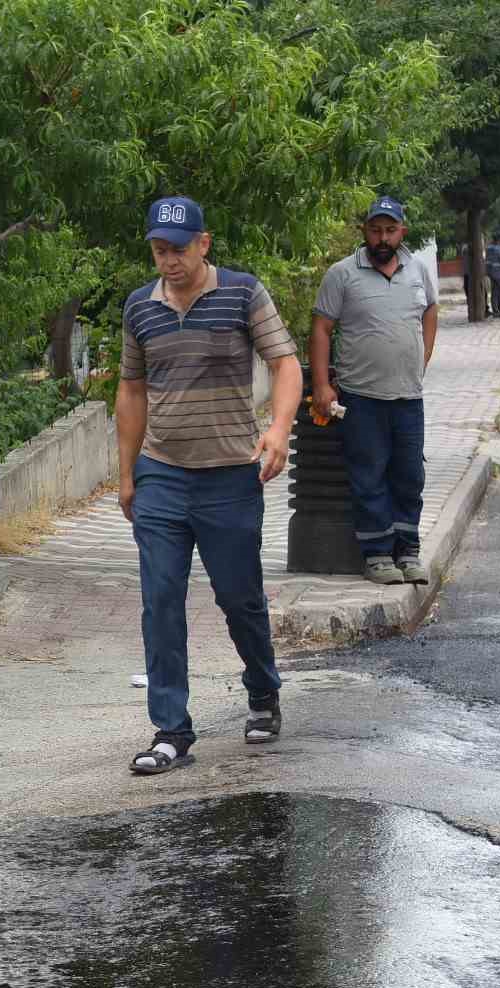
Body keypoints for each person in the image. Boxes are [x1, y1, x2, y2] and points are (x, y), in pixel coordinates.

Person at [117, 196, 302, 775]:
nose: (167, 260)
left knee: (238, 597)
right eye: (158, 249)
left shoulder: (243, 293)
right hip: (162, 477)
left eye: (178, 248)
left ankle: (263, 692)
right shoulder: (139, 309)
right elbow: (131, 390)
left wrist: (277, 429)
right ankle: (172, 730)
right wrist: (126, 473)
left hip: (229, 476)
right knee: (161, 600)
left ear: (205, 243)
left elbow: (286, 363)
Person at [309, 196, 440, 587]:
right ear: (364, 231)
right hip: (360, 397)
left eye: (390, 230)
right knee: (369, 476)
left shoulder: (417, 269)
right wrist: (320, 385)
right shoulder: (342, 274)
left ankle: (408, 551)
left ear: (402, 231)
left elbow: (431, 310)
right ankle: (378, 555)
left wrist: (424, 356)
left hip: (408, 396)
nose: (382, 238)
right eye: (375, 230)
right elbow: (320, 329)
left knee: (409, 476)